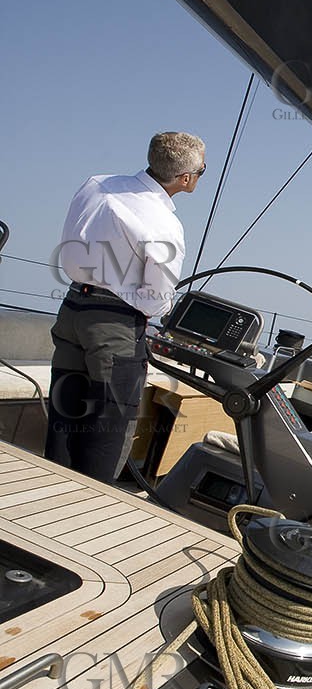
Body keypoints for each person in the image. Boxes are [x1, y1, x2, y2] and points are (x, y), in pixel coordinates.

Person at [45, 131, 206, 481]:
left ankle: (48, 491)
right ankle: (85, 512)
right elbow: (158, 299)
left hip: (72, 308)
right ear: (186, 178)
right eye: (202, 170)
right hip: (114, 326)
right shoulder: (165, 225)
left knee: (64, 412)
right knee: (109, 426)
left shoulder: (96, 184)